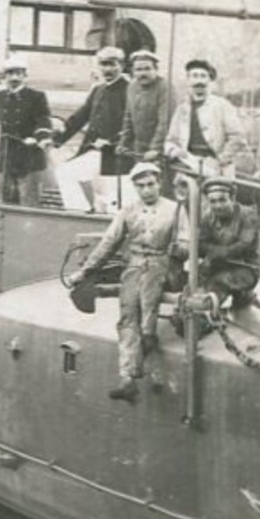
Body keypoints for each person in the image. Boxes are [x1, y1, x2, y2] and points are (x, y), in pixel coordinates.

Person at [65, 162, 180, 402]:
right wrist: (85, 272)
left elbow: (187, 243)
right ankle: (128, 378)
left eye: (150, 184)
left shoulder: (175, 210)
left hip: (162, 267)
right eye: (141, 186)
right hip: (134, 268)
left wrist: (176, 252)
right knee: (128, 318)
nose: (146, 190)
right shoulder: (128, 212)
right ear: (135, 188)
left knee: (146, 312)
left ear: (159, 183)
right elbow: (108, 243)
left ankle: (147, 339)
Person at [54, 46, 129, 212]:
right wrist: (55, 139)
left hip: (116, 156)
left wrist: (112, 141)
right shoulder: (98, 90)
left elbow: (133, 125)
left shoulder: (129, 90)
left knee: (112, 206)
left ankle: (85, 214)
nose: (107, 69)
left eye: (112, 64)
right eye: (103, 64)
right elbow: (79, 118)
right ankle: (79, 213)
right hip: (93, 152)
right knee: (65, 173)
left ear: (122, 66)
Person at [0, 54, 55, 207]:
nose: (14, 78)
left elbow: (43, 119)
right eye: (10, 74)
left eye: (18, 73)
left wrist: (40, 137)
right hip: (7, 157)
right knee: (6, 203)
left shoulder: (36, 97)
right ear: (4, 77)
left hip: (29, 156)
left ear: (24, 76)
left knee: (28, 202)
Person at [164, 58, 249, 179]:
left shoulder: (222, 105)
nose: (199, 81)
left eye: (203, 76)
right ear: (188, 80)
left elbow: (238, 137)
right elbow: (171, 140)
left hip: (218, 168)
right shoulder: (182, 109)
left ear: (210, 80)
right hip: (189, 166)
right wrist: (175, 151)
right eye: (194, 76)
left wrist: (220, 160)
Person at [187, 175, 260, 310]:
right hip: (217, 265)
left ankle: (208, 309)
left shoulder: (248, 215)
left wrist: (213, 253)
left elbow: (242, 246)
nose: (218, 206)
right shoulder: (208, 217)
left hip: (244, 268)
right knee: (190, 282)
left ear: (232, 198)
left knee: (217, 284)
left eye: (222, 200)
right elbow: (200, 245)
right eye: (213, 201)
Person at [119, 49, 174, 165]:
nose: (142, 73)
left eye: (147, 69)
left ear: (156, 69)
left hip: (161, 149)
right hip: (138, 148)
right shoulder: (132, 87)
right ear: (133, 71)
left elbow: (165, 121)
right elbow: (128, 117)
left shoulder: (164, 87)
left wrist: (156, 148)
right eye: (138, 69)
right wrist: (123, 142)